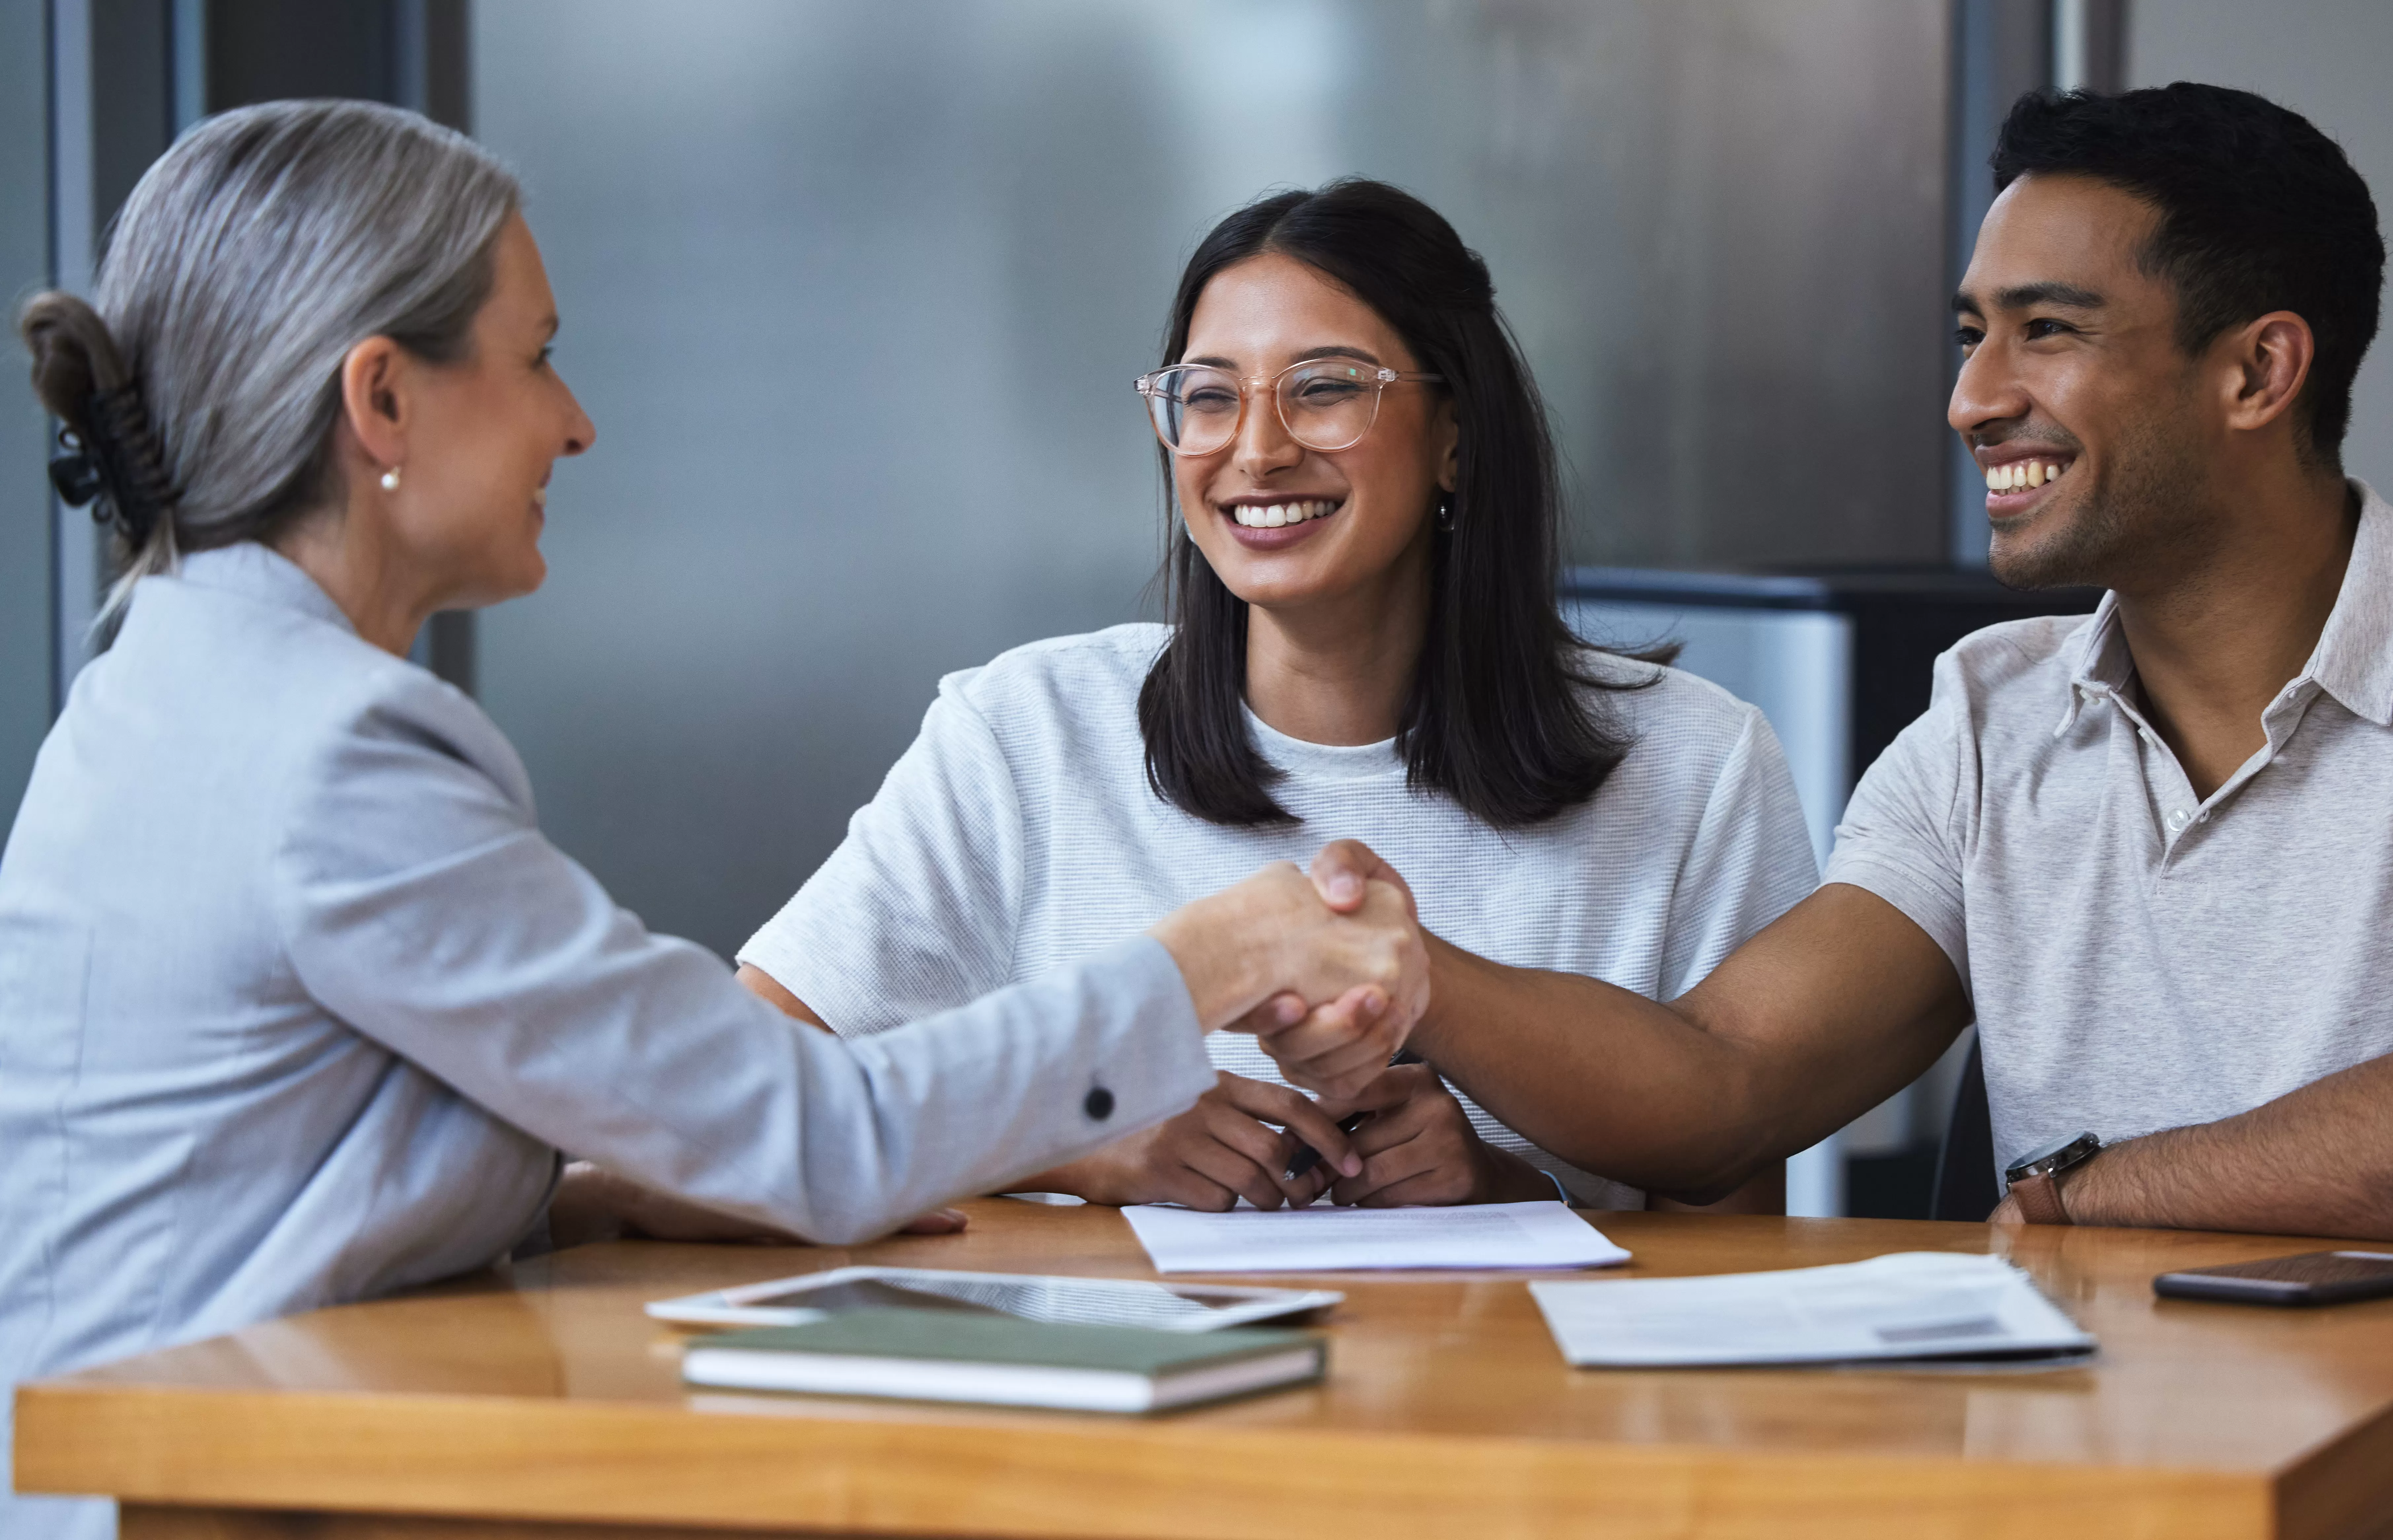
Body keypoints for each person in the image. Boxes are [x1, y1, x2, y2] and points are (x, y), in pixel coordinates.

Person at [1294, 85, 2393, 1540]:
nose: (1972, 398)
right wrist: (1416, 977)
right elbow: (1718, 1087)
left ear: (2256, 371)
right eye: (1971, 334)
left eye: (2047, 329)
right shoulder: (1988, 713)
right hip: (2088, 1491)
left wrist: (2091, 1193)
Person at [0, 102, 1422, 1540]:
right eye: (537, 355)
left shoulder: (168, 684)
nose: (576, 419)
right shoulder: (334, 756)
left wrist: (575, 1201)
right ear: (382, 402)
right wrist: (1218, 952)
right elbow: (827, 1133)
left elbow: (257, 1156)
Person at [737, 180, 1814, 1213]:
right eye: (1208, 398)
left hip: (1487, 1402)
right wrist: (1071, 1133)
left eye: (1326, 387)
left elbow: (1737, 1232)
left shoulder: (1694, 763)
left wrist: (1505, 1187)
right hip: (1085, 1395)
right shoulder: (1026, 732)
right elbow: (756, 1082)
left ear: (1457, 436)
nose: (1255, 450)